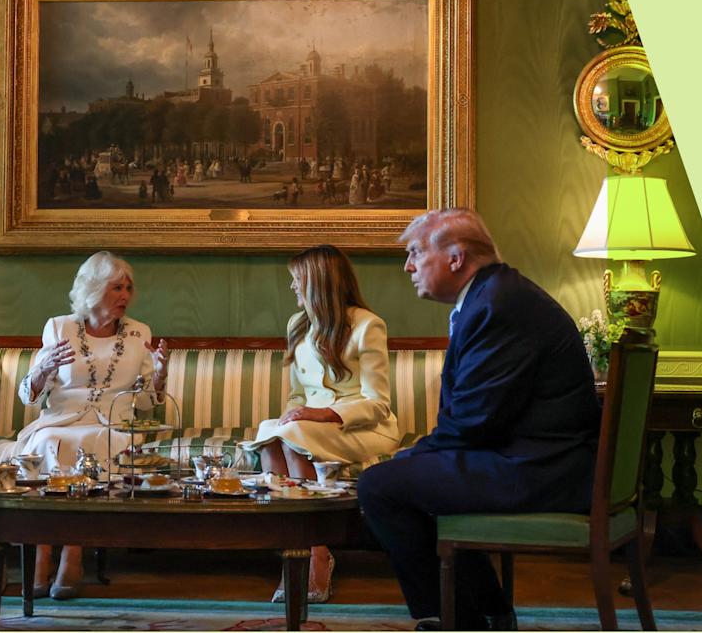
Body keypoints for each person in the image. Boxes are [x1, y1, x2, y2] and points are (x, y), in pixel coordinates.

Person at [357, 209, 601, 631]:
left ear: (456, 258)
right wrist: (418, 459)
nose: (408, 266)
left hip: (540, 470)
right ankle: (487, 611)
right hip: (540, 460)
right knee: (414, 478)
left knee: (379, 486)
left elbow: (473, 420)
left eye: (416, 252)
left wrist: (411, 457)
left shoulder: (497, 305)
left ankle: (454, 621)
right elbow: (481, 415)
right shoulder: (497, 295)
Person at [0, 251, 169, 600]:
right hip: (60, 419)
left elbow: (144, 404)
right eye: (116, 287)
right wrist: (40, 370)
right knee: (49, 440)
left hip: (112, 423)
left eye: (128, 287)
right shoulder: (59, 327)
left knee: (100, 441)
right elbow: (30, 396)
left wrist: (158, 378)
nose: (125, 295)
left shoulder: (139, 332)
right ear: (94, 289)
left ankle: (73, 552)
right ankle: (41, 555)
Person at [243, 245, 399, 604]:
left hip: (361, 428)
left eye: (297, 280)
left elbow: (378, 403)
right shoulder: (297, 325)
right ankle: (299, 552)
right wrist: (292, 414)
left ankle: (314, 557)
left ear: (318, 282)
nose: (293, 288)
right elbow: (298, 396)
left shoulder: (367, 325)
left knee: (294, 435)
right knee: (273, 434)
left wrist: (322, 415)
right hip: (309, 428)